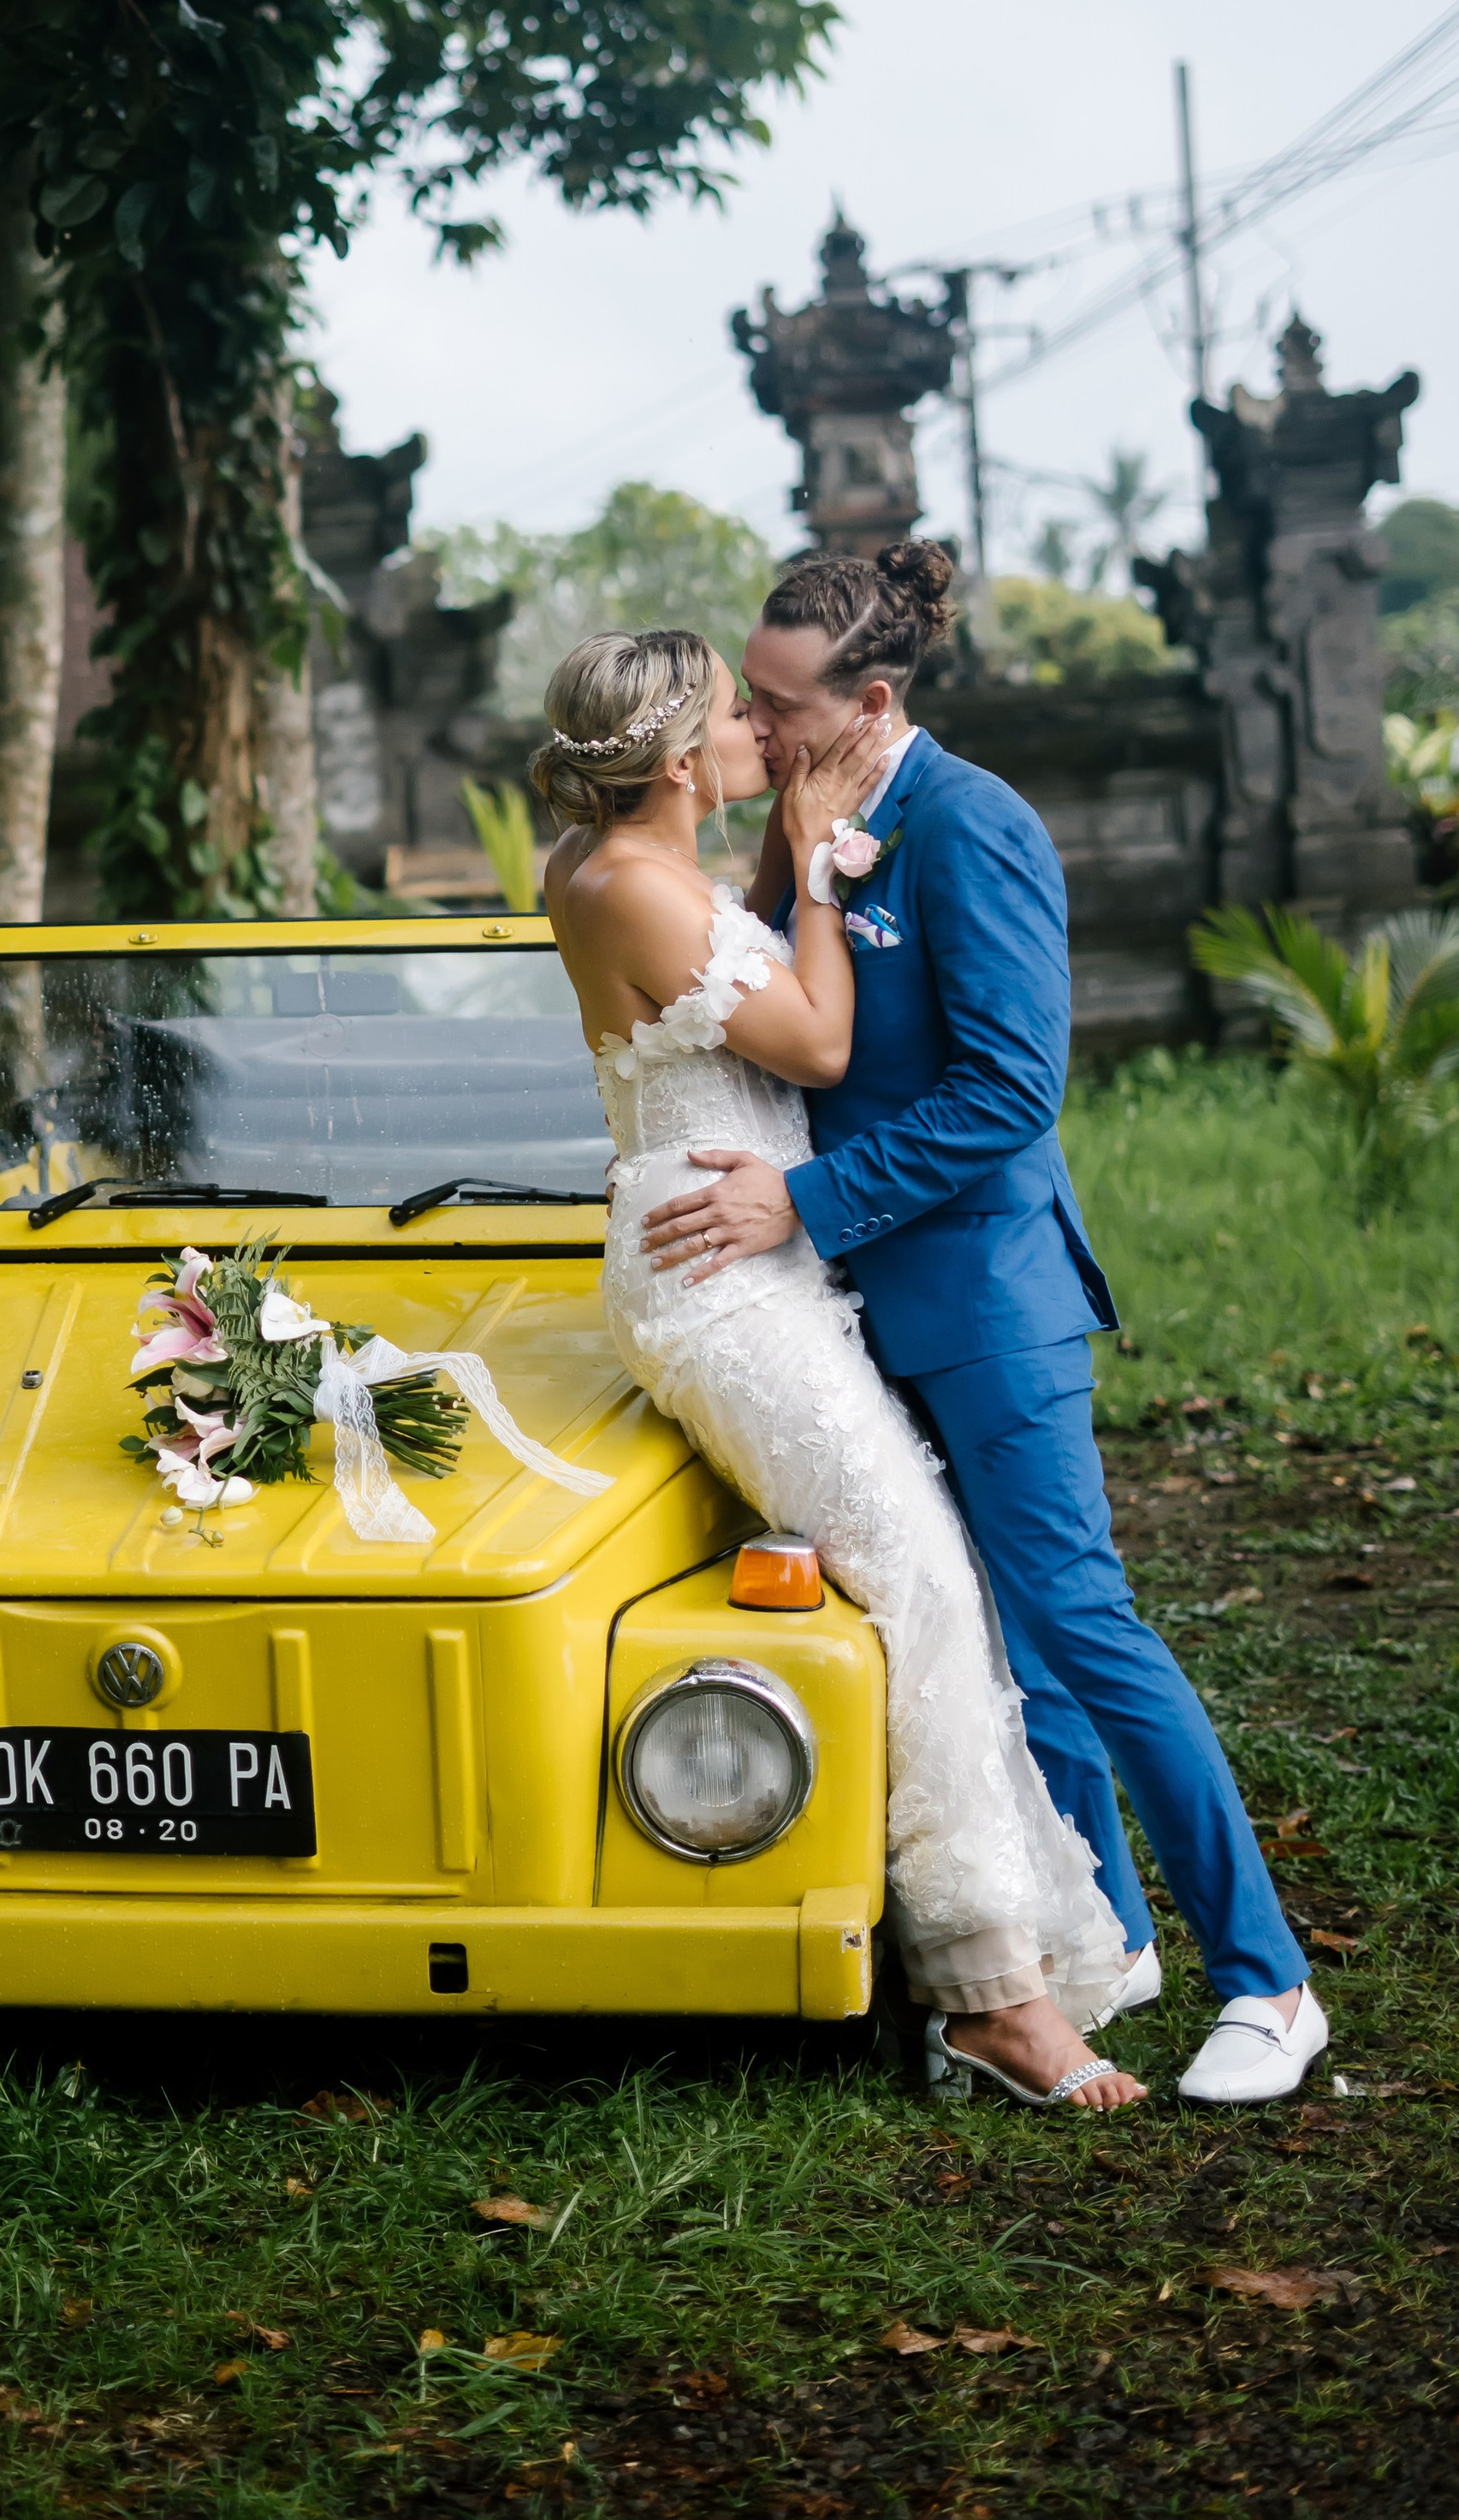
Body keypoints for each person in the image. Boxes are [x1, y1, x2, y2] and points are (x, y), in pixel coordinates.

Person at [626, 545, 1324, 2109]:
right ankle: (1114, 1939)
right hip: (851, 1304)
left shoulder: (975, 825)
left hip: (987, 1301)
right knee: (1006, 1644)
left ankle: (1270, 1982)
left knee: (1085, 1625)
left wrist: (803, 1206)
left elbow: (1010, 1092)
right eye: (749, 694)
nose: (756, 723)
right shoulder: (816, 824)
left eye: (782, 704)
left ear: (874, 699)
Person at [541, 617, 1142, 2113]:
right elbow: (811, 1041)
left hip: (756, 1258)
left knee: (931, 1580)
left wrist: (776, 865)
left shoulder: (638, 867)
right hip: (720, 1278)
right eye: (736, 718)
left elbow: (731, 957)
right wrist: (814, 864)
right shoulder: (625, 883)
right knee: (927, 1586)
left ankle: (1004, 1954)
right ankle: (991, 1993)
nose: (764, 727)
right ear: (686, 764)